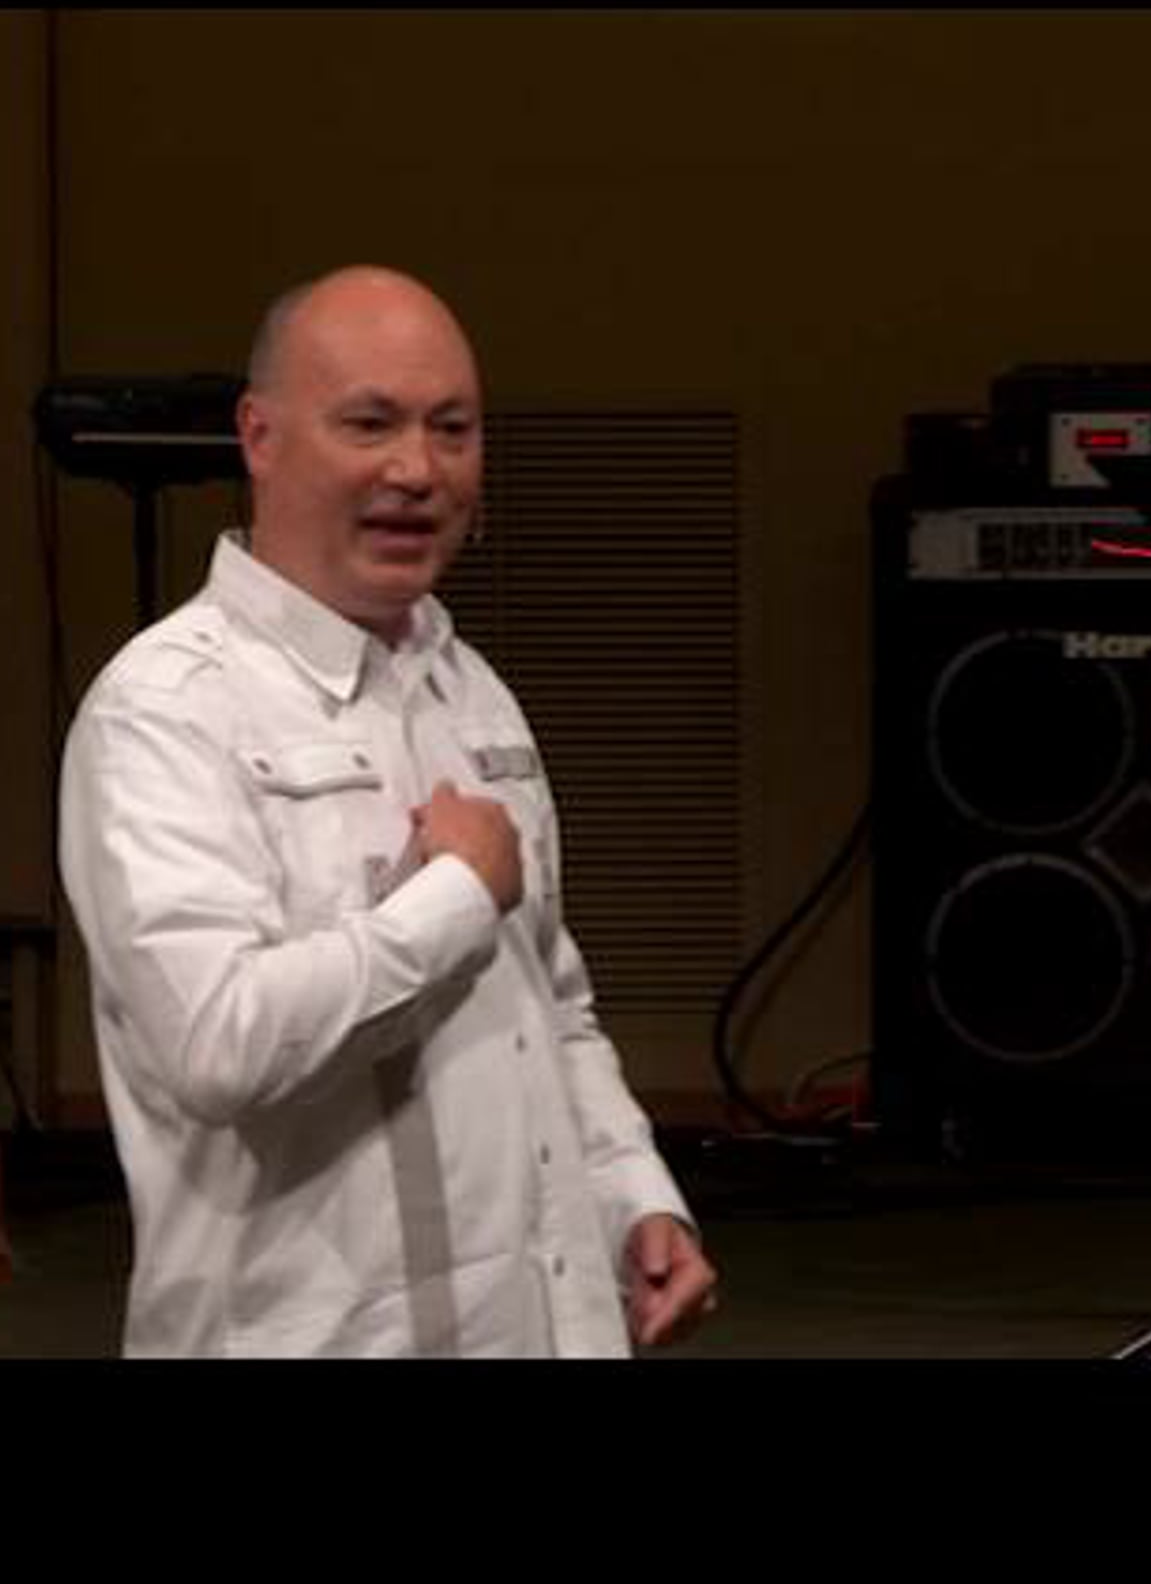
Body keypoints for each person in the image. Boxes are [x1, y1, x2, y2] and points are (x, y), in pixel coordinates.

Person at [58, 264, 718, 1357]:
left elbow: (550, 1003)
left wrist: (629, 1192)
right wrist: (454, 899)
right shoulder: (167, 709)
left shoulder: (472, 690)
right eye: (370, 425)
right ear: (260, 437)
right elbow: (217, 1044)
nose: (417, 470)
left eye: (452, 429)